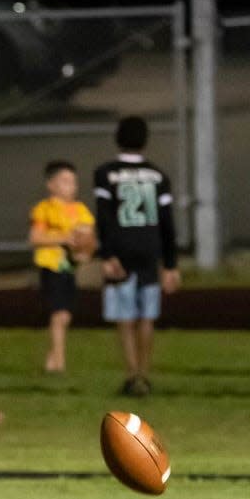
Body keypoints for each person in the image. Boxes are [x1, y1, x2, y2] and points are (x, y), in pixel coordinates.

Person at [92, 115, 180, 397]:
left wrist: (106, 254)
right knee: (146, 317)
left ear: (118, 139)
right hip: (150, 250)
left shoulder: (106, 173)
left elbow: (104, 217)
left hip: (122, 251)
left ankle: (131, 375)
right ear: (145, 141)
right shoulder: (159, 176)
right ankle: (144, 372)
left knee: (124, 317)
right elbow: (167, 223)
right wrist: (170, 264)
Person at [28, 160, 96, 375]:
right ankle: (59, 361)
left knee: (65, 315)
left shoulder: (80, 210)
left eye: (73, 182)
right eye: (65, 181)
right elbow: (35, 237)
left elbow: (89, 238)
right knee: (59, 315)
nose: (71, 186)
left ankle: (52, 358)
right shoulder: (45, 209)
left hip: (69, 268)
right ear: (51, 184)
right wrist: (64, 237)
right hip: (51, 266)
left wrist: (85, 251)